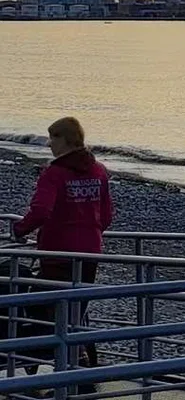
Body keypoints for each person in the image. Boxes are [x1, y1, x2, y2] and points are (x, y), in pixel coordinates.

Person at [11, 117, 113, 375]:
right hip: (90, 251)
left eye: (53, 137)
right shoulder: (98, 170)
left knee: (41, 305)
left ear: (67, 139)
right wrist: (91, 230)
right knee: (76, 308)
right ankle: (75, 358)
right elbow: (107, 213)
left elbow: (41, 210)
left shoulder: (54, 173)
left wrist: (20, 229)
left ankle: (45, 358)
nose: (49, 144)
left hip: (58, 253)